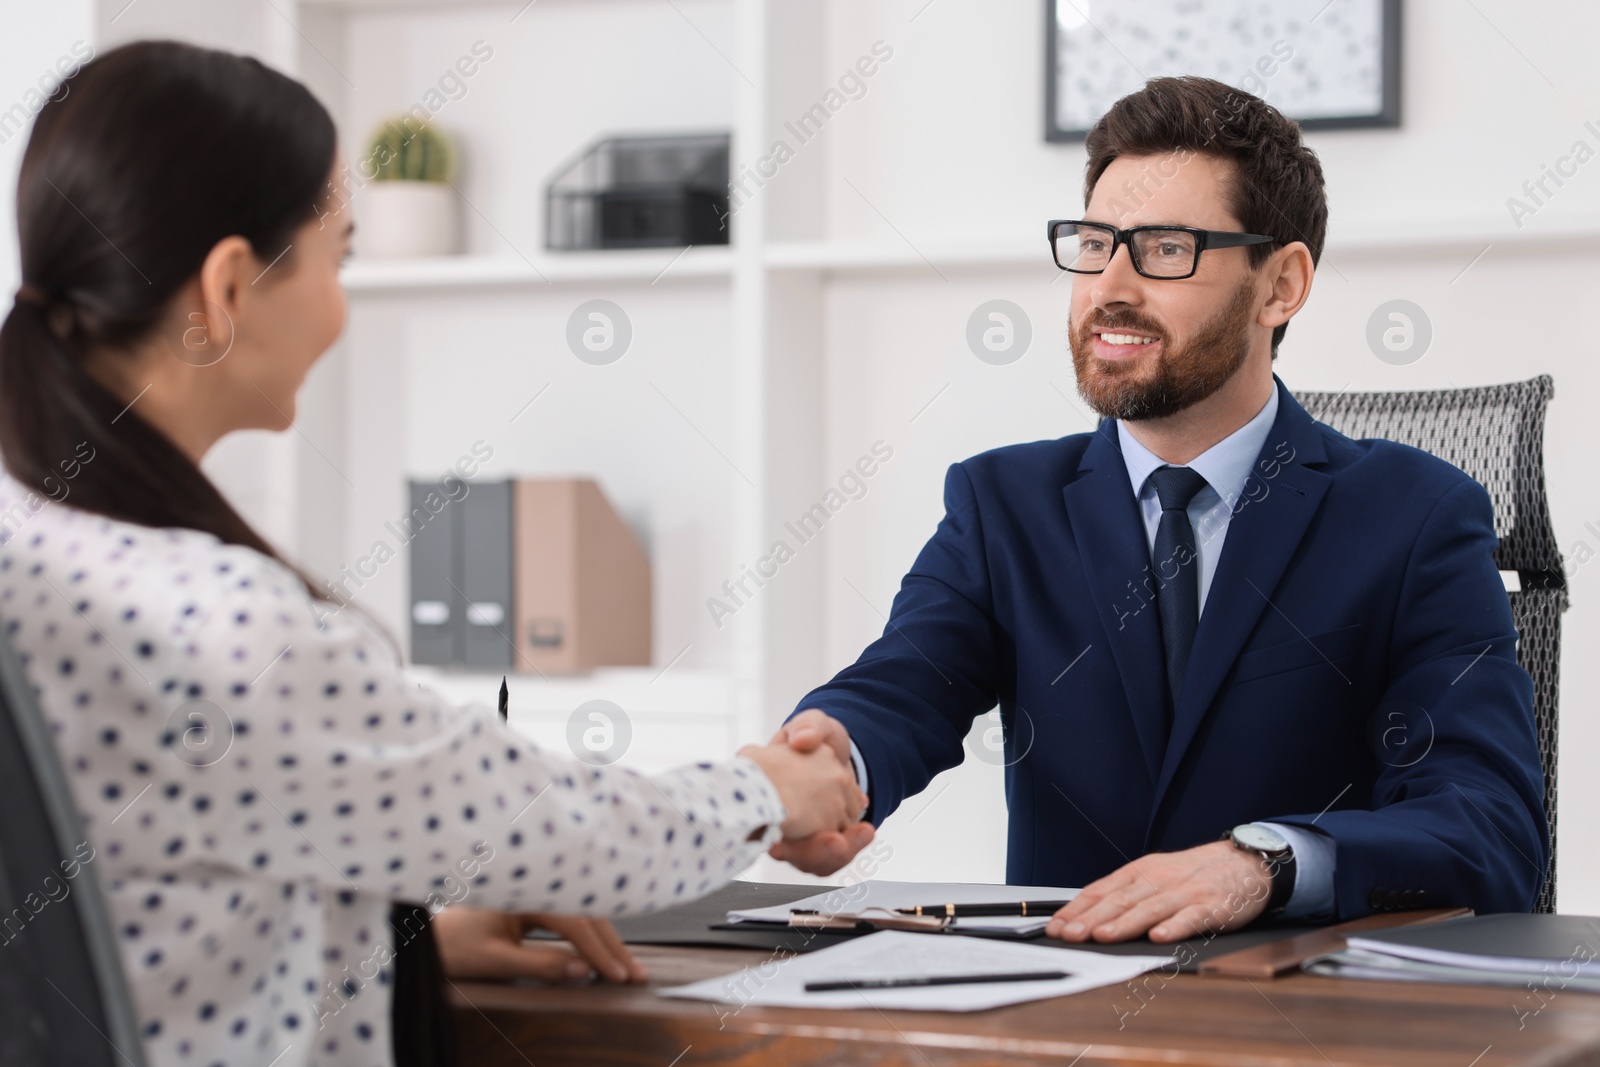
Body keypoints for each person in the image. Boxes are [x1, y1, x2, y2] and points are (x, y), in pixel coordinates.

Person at [0, 40, 866, 1067]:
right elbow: (551, 824)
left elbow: (147, 906)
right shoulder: (219, 623)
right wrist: (768, 786)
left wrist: (396, 938)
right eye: (339, 257)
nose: (342, 303)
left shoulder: (39, 556)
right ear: (229, 286)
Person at [770, 75, 1548, 943]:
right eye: (1095, 243)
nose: (1110, 286)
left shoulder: (1417, 516)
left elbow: (1489, 824)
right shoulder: (1003, 506)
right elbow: (904, 687)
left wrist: (1266, 862)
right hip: (1059, 1008)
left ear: (1281, 285)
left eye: (1165, 248)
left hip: (1302, 1018)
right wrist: (825, 760)